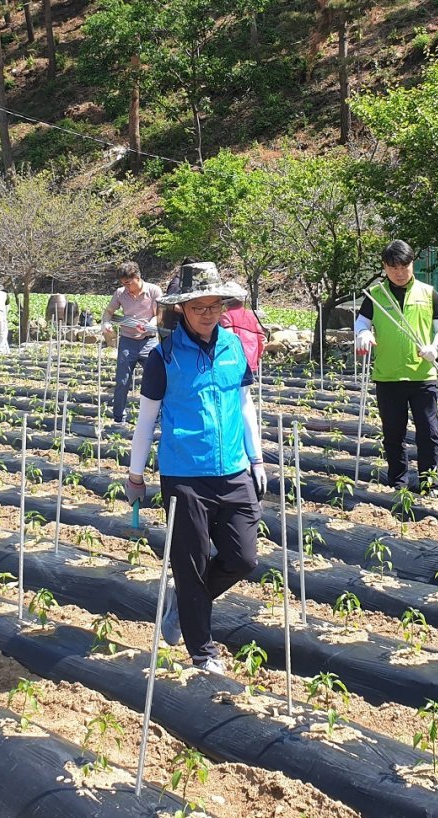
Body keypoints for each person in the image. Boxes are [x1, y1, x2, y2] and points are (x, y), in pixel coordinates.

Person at [124, 262, 265, 674]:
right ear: (182, 309)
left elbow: (244, 405)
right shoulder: (164, 356)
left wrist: (256, 458)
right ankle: (203, 652)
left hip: (234, 469)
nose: (207, 313)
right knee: (191, 563)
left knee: (243, 559)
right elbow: (146, 420)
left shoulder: (234, 348)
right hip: (184, 474)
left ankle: (183, 603)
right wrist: (136, 474)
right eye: (198, 306)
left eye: (214, 305)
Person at [353, 240, 438, 490]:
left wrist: (435, 347)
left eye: (404, 266)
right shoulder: (375, 295)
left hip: (422, 375)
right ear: (384, 267)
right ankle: (398, 484)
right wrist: (362, 334)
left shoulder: (429, 293)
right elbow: (361, 323)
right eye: (393, 267)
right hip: (388, 376)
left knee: (428, 433)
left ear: (412, 264)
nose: (399, 272)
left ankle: (429, 484)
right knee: (393, 436)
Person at [101, 262, 163, 423]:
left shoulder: (154, 291)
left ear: (137, 277)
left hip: (149, 340)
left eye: (128, 283)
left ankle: (156, 416)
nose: (126, 286)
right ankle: (118, 417)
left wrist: (149, 325)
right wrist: (106, 323)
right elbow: (109, 312)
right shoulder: (121, 293)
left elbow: (159, 315)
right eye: (123, 283)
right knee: (122, 380)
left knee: (155, 378)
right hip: (127, 341)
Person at [219, 297, 266, 373]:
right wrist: (258, 356)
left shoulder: (226, 316)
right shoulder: (251, 315)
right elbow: (261, 337)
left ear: (226, 303)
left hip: (235, 360)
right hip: (252, 358)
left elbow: (229, 339)